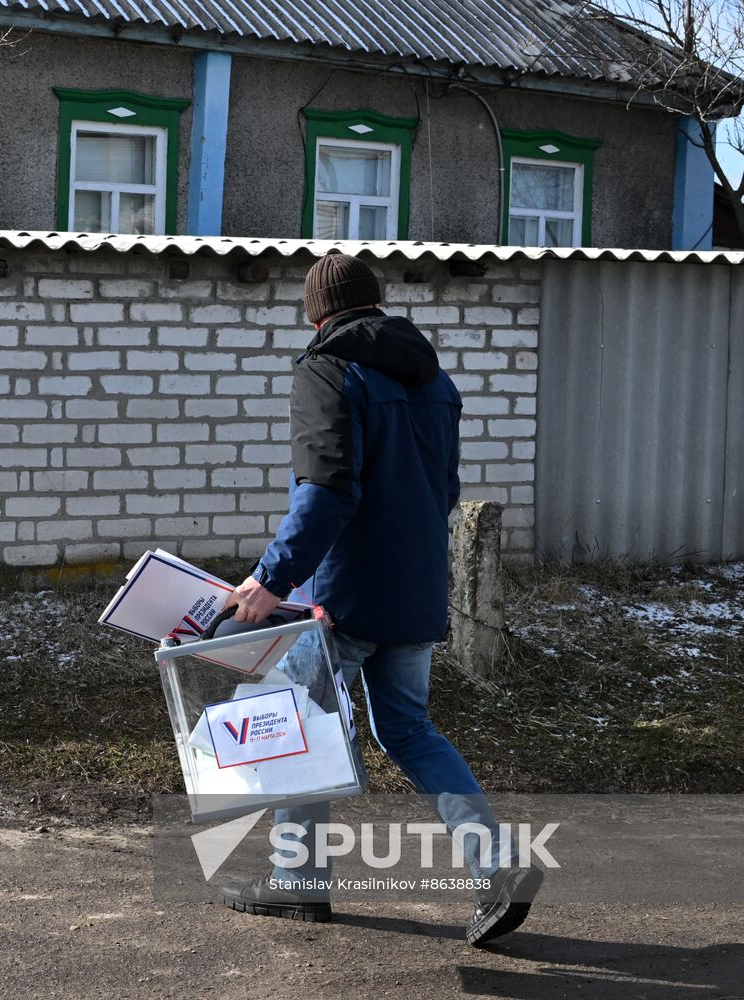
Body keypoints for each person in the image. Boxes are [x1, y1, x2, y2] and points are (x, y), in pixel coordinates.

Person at [219, 252, 542, 947]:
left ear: (315, 312)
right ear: (376, 303)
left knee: (300, 730)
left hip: (339, 596)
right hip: (417, 586)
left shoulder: (326, 370)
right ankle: (500, 865)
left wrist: (273, 579)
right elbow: (444, 493)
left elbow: (327, 490)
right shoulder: (435, 380)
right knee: (409, 730)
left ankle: (297, 881)